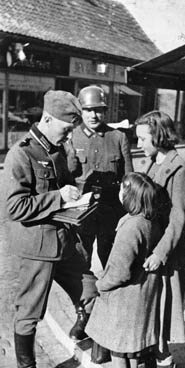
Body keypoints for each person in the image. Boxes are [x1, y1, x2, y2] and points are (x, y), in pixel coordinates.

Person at [4, 90, 98, 368]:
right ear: (47, 119)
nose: (69, 134)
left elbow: (63, 185)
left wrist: (78, 198)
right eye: (66, 128)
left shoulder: (55, 149)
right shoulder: (21, 153)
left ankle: (84, 333)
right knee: (30, 312)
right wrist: (59, 197)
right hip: (35, 248)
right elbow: (14, 208)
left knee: (90, 290)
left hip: (63, 240)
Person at [85, 172, 162, 368]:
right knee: (130, 354)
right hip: (139, 297)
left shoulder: (131, 226)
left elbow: (119, 271)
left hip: (125, 300)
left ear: (130, 195)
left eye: (123, 188)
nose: (119, 191)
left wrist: (100, 284)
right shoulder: (148, 219)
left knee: (119, 355)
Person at [135, 110, 185, 368]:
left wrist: (160, 252)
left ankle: (166, 364)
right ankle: (150, 354)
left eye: (143, 138)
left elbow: (178, 217)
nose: (139, 144)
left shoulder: (178, 168)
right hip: (150, 249)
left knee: (163, 310)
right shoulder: (154, 162)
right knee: (150, 305)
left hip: (165, 252)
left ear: (158, 136)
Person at [64, 85, 133, 270]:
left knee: (111, 258)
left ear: (105, 111)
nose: (93, 115)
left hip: (110, 211)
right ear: (81, 111)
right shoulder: (70, 137)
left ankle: (111, 296)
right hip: (81, 211)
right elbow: (64, 177)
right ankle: (83, 297)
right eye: (88, 110)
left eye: (98, 110)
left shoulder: (118, 137)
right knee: (80, 258)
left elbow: (129, 180)